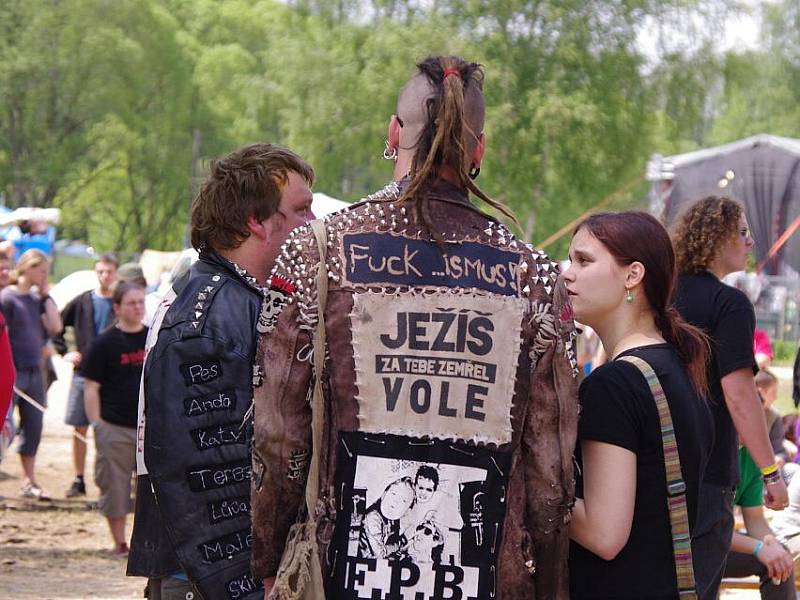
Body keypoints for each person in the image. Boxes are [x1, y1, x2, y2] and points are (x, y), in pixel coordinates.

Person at [252, 55, 579, 600]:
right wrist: (547, 578)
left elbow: (279, 435)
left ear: (393, 132)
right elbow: (550, 472)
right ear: (479, 149)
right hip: (490, 574)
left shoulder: (320, 251)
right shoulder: (532, 274)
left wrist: (265, 555)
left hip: (341, 570)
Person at [127, 143, 314, 600]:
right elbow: (199, 469)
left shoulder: (235, 297)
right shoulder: (211, 316)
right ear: (256, 219)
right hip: (207, 579)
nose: (314, 226)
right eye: (302, 210)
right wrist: (242, 585)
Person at [563, 211, 713, 599]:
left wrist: (529, 478)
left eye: (584, 260)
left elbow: (604, 533)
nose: (566, 273)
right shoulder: (679, 368)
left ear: (633, 276)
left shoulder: (616, 384)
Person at [672, 195, 789, 600]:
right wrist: (770, 473)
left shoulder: (658, 295)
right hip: (706, 470)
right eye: (742, 232)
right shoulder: (729, 303)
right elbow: (740, 394)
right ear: (717, 237)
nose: (750, 241)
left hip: (648, 460)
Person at [82, 282, 147, 555]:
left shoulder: (155, 338)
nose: (138, 307)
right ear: (117, 308)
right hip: (115, 426)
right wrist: (97, 424)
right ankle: (120, 543)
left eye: (141, 302)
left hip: (149, 426)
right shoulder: (104, 343)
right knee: (115, 487)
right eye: (131, 303)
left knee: (149, 489)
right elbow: (90, 387)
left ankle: (145, 544)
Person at [53, 253, 119, 498]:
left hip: (112, 378)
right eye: (100, 271)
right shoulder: (82, 301)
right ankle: (79, 479)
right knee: (79, 427)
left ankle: (108, 481)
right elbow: (57, 327)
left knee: (108, 430)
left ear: (116, 274)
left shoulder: (120, 303)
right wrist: (67, 352)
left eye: (109, 271)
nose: (104, 276)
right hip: (83, 374)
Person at [0, 249, 62, 499]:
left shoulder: (37, 300)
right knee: (5, 426)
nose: (44, 275)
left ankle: (29, 479)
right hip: (12, 372)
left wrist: (46, 294)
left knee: (33, 426)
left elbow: (56, 327)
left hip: (35, 370)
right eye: (42, 270)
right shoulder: (7, 298)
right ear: (28, 267)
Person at [722, 445, 796, 599]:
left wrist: (773, 545)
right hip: (687, 548)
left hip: (722, 542)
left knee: (780, 560)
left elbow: (755, 520)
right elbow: (709, 530)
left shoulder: (751, 454)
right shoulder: (712, 444)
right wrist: (758, 548)